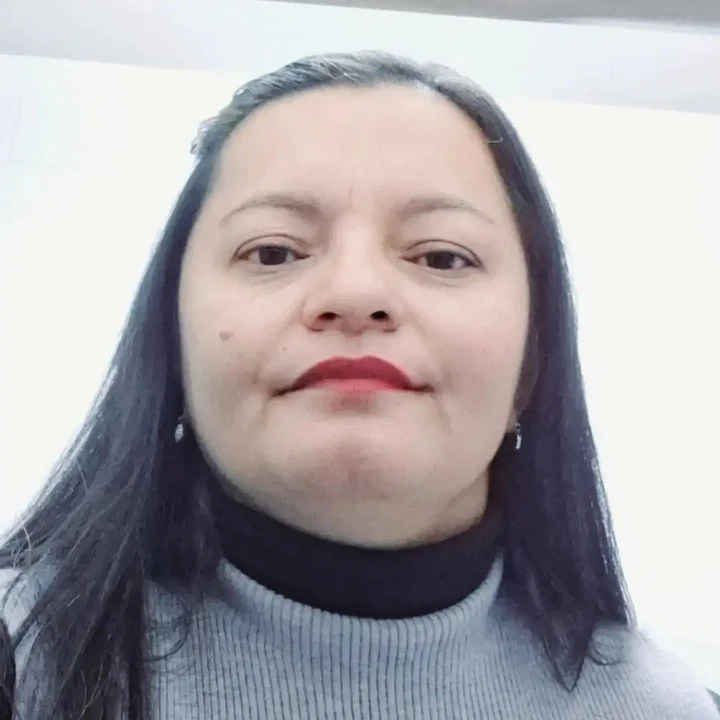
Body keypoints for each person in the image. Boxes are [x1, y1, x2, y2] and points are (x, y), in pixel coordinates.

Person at [0, 50, 717, 720]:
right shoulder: (22, 660)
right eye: (273, 251)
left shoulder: (669, 708)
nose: (354, 292)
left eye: (442, 257)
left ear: (531, 366)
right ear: (173, 345)